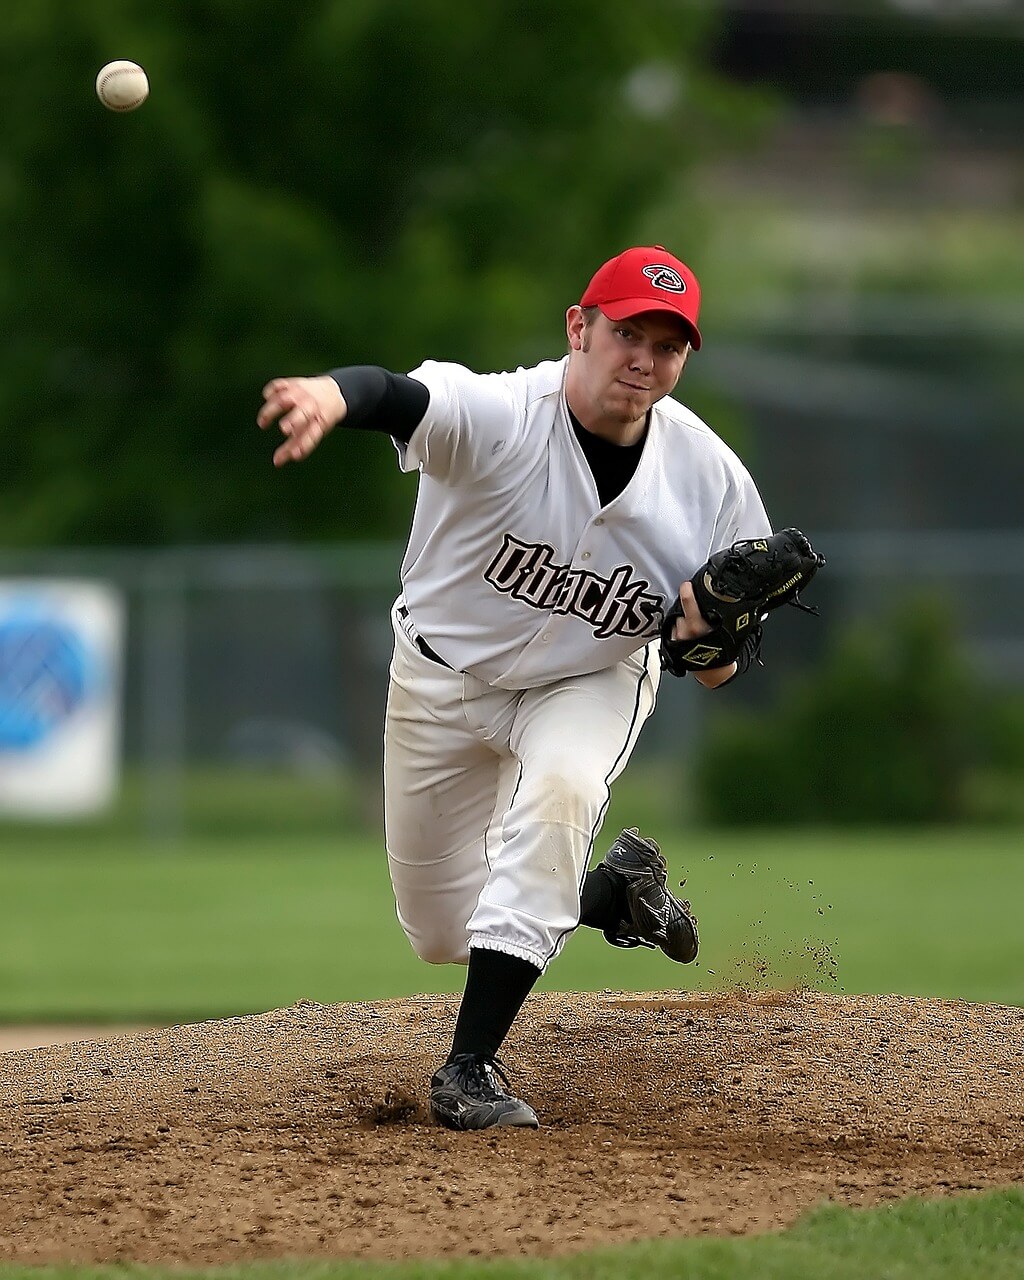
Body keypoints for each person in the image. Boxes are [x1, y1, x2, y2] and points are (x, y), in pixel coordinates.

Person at [257, 245, 772, 1131]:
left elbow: (721, 664)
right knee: (442, 932)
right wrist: (327, 396)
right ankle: (615, 896)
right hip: (438, 682)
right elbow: (397, 392)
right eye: (626, 333)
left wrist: (706, 643)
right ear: (579, 328)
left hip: (589, 678)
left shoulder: (711, 480)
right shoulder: (501, 415)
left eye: (669, 344)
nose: (644, 359)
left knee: (564, 793)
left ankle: (469, 1070)